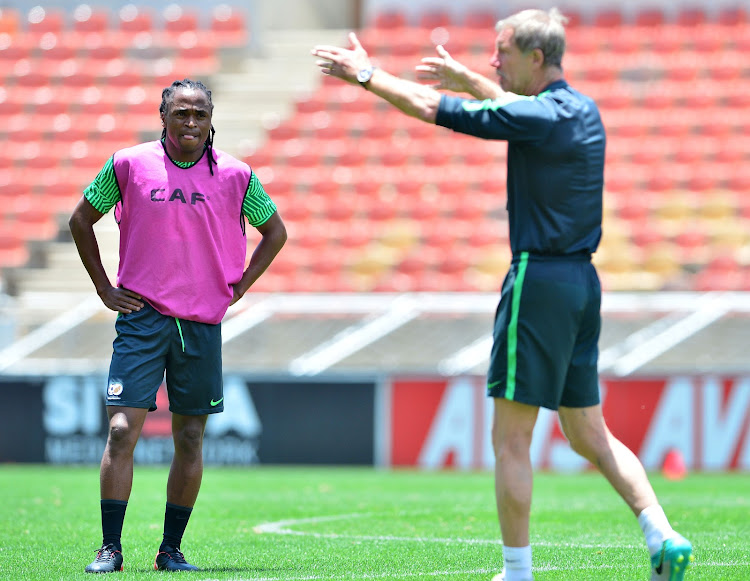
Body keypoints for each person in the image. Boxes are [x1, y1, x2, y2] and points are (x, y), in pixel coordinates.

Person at [312, 9, 692, 581]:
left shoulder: (540, 117)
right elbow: (523, 113)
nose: (494, 59)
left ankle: (517, 573)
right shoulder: (580, 110)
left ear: (535, 58)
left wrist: (367, 75)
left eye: (503, 51)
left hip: (537, 281)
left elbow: (428, 108)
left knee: (511, 439)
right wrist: (474, 81)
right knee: (588, 432)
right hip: (582, 285)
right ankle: (660, 530)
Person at [69, 78, 287, 573]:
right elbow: (81, 219)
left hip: (201, 326)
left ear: (211, 119)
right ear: (162, 117)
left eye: (200, 114)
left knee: (190, 438)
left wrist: (241, 286)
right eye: (181, 113)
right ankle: (110, 548)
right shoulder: (128, 164)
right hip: (142, 320)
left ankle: (170, 551)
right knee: (122, 430)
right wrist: (105, 288)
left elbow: (275, 231)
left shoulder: (236, 174)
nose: (191, 122)